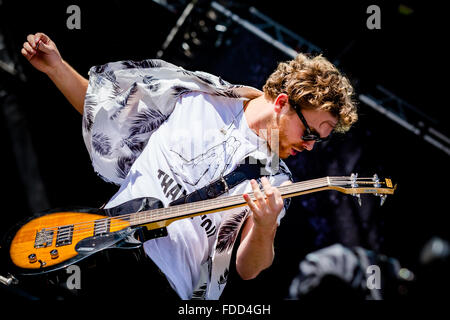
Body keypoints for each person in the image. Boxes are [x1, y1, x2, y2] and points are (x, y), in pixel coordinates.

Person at [21, 32, 358, 300]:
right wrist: (56, 68)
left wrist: (266, 225)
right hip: (101, 247)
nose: (311, 145)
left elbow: (248, 268)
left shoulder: (275, 181)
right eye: (311, 132)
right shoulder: (197, 96)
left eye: (320, 140)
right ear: (283, 103)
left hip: (163, 287)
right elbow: (107, 117)